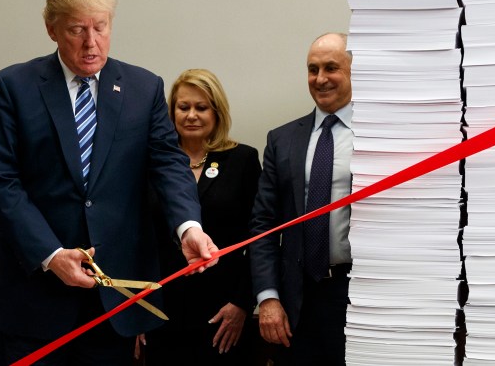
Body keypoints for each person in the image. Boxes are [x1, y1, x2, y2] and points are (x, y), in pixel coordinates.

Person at [0, 0, 218, 366]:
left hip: (113, 304)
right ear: (51, 28)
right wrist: (51, 254)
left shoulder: (143, 87)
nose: (91, 42)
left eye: (100, 27)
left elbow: (168, 163)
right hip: (34, 301)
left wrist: (188, 226)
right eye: (76, 29)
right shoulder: (13, 87)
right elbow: (0, 181)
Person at [143, 69, 261, 365]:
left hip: (223, 313)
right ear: (171, 113)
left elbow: (260, 239)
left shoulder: (243, 160)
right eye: (183, 108)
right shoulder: (153, 164)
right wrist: (136, 310)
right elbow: (139, 239)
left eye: (201, 107)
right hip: (161, 311)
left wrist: (242, 303)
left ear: (217, 112)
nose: (191, 115)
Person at [249, 32, 354, 365]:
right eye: (312, 69)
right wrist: (267, 298)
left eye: (331, 68)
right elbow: (263, 225)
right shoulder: (282, 140)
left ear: (354, 70)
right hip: (296, 301)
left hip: (358, 296)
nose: (320, 79)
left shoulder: (381, 135)